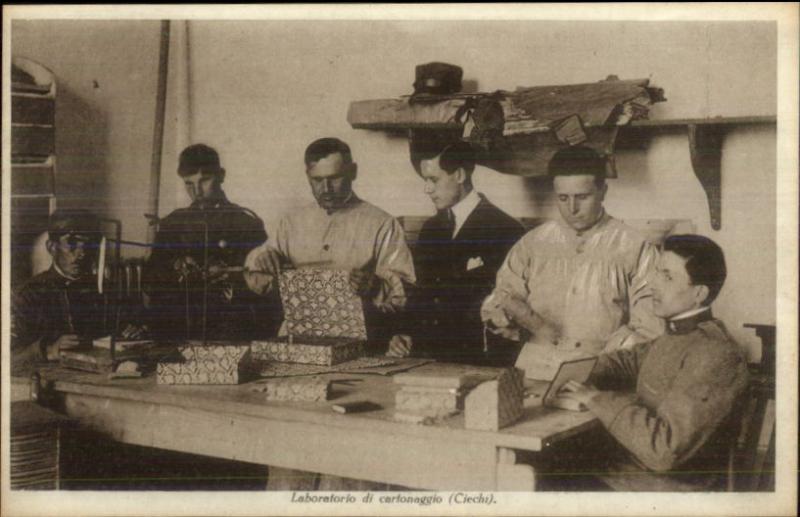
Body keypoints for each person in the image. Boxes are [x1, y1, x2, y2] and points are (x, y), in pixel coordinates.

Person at [558, 234, 749, 491]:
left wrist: (596, 399)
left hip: (663, 489)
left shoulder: (715, 353)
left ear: (699, 293)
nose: (652, 285)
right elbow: (628, 361)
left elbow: (664, 450)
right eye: (657, 273)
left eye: (667, 277)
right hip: (632, 474)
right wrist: (567, 372)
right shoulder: (679, 334)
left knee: (540, 472)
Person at [480, 145, 664, 374]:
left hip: (603, 369)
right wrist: (501, 315)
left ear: (603, 191)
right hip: (535, 367)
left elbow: (650, 326)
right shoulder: (532, 244)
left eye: (582, 197)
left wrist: (604, 359)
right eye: (563, 198)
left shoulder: (634, 246)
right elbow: (500, 298)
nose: (572, 209)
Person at [244, 137, 415, 344]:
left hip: (362, 341)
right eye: (317, 180)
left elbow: (406, 295)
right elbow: (256, 277)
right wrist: (262, 260)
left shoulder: (382, 224)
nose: (326, 188)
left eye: (334, 178)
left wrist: (376, 286)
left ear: (353, 172)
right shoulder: (291, 223)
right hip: (297, 339)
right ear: (307, 176)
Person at [388, 139, 525, 365]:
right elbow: (420, 294)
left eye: (433, 179)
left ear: (460, 175)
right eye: (425, 180)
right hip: (426, 357)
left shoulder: (506, 230)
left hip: (478, 360)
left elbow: (507, 315)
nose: (427, 189)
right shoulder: (430, 230)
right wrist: (404, 332)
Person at [144, 144, 276, 341]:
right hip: (179, 331)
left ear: (221, 176)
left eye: (204, 180)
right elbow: (150, 280)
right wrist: (176, 266)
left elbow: (265, 286)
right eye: (189, 184)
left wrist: (227, 274)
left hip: (231, 330)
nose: (197, 191)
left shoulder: (245, 223)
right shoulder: (173, 223)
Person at [11, 209, 142, 375]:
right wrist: (48, 350)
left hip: (100, 378)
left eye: (89, 245)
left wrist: (133, 330)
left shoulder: (106, 290)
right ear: (51, 247)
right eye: (72, 244)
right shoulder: (28, 295)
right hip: (52, 386)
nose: (82, 253)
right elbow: (9, 359)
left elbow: (129, 326)